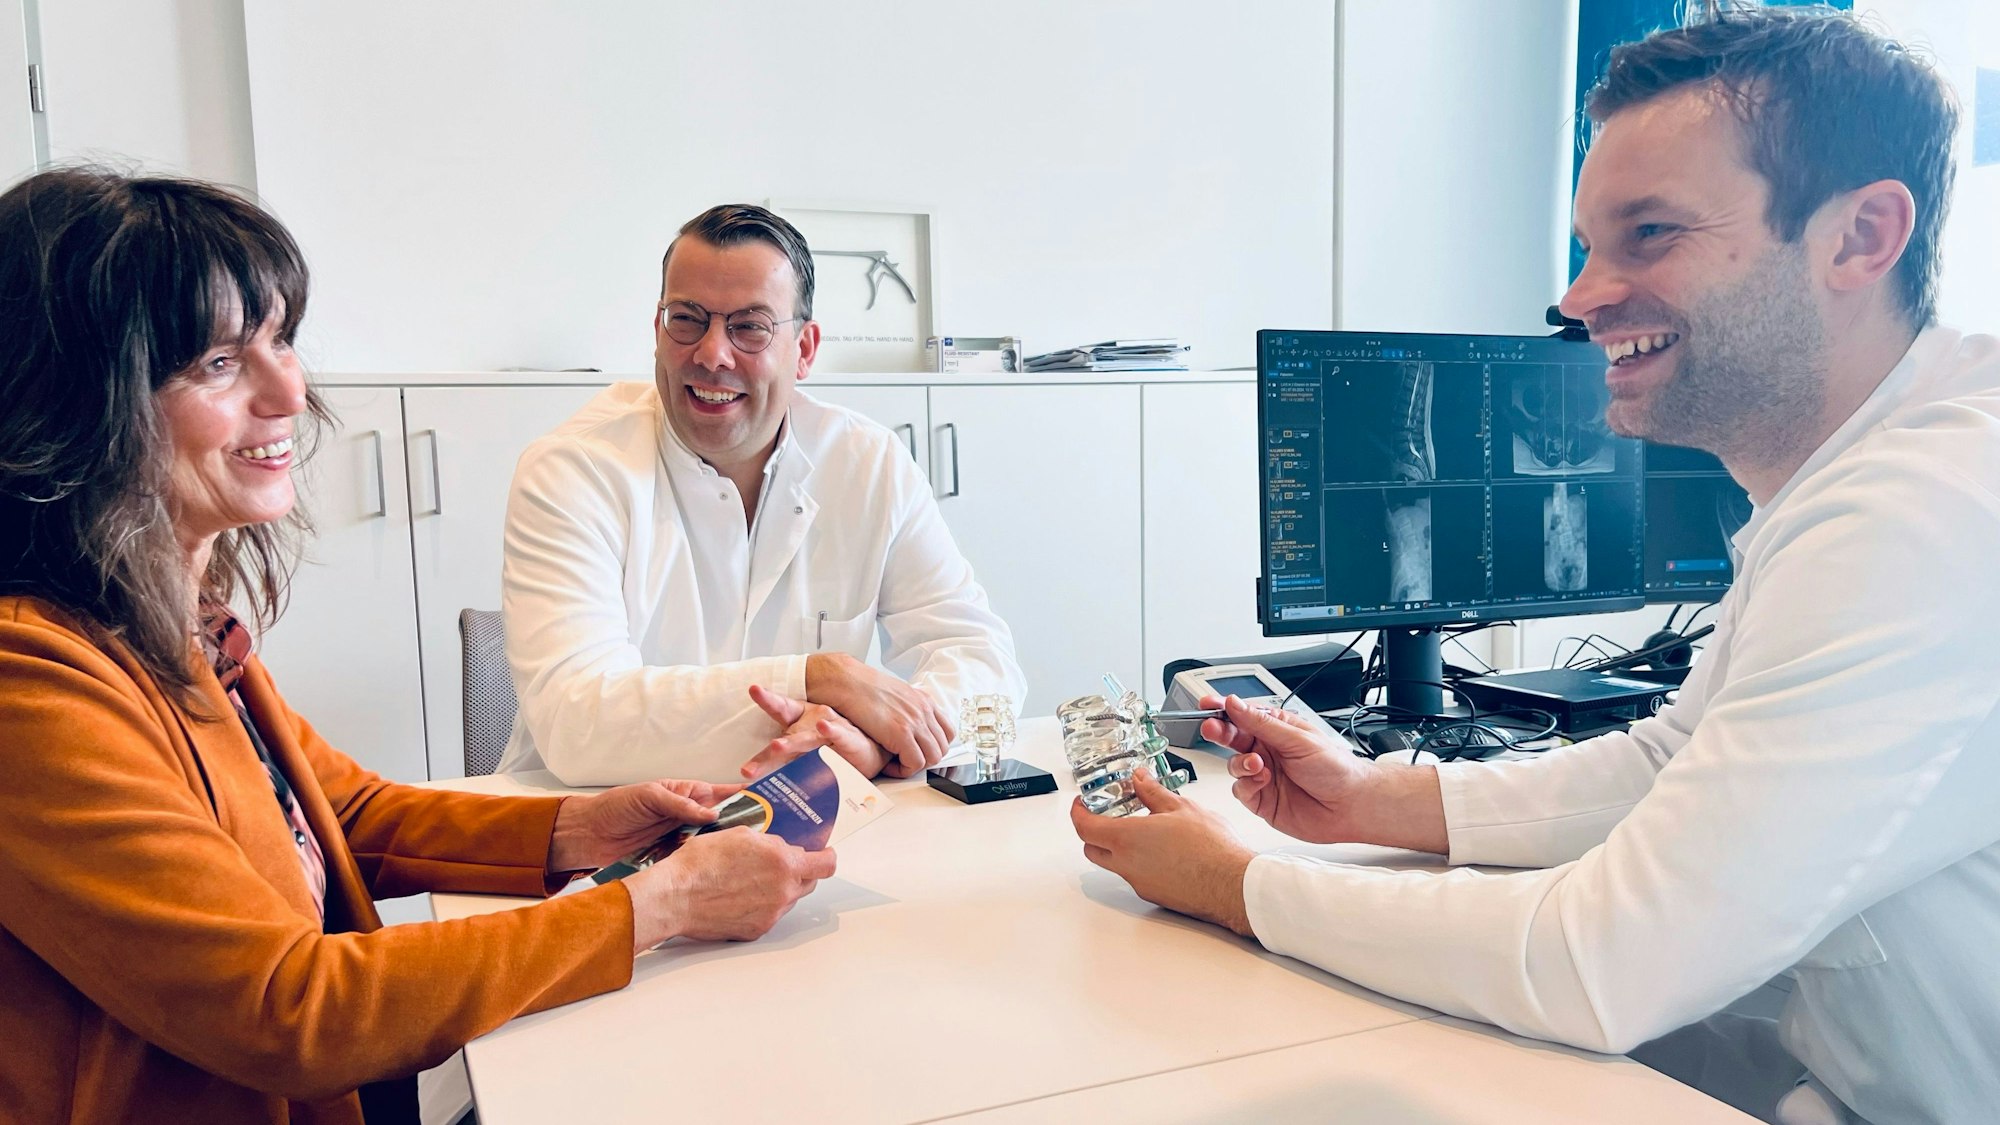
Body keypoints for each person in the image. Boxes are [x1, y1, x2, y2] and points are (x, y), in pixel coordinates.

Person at [1072, 7, 1998, 1123]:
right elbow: (1667, 759)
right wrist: (1374, 799)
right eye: (1585, 246)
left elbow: (1606, 962)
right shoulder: (1850, 483)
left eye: (1647, 234)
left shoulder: (1927, 512)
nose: (1575, 299)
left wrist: (1239, 886)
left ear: (1858, 237)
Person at [0, 169, 836, 1124]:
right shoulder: (30, 685)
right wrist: (658, 906)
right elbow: (286, 1007)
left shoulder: (177, 625)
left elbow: (341, 814)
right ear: (72, 402)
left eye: (280, 340)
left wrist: (578, 831)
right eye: (219, 364)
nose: (289, 391)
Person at [497, 203, 1025, 785]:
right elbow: (581, 725)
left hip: (811, 815)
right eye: (688, 319)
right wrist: (818, 679)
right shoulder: (574, 470)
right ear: (656, 330)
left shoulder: (867, 463)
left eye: (749, 326)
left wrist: (882, 742)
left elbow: (980, 657)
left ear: (804, 349)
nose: (711, 354)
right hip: (592, 830)